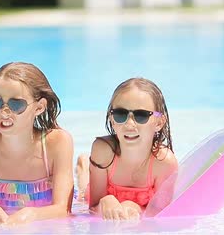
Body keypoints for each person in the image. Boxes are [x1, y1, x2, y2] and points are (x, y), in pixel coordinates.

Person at [0, 62, 74, 225]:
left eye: (16, 104)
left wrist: (31, 214)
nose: (4, 111)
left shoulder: (57, 143)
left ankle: (83, 169)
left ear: (39, 107)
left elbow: (62, 210)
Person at [76, 77, 178, 221]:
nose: (129, 124)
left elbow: (160, 216)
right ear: (111, 118)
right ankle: (84, 166)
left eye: (141, 116)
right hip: (99, 188)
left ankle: (86, 164)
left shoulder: (163, 162)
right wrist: (104, 202)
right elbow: (92, 206)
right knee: (81, 194)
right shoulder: (103, 152)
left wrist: (134, 207)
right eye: (120, 114)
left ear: (159, 122)